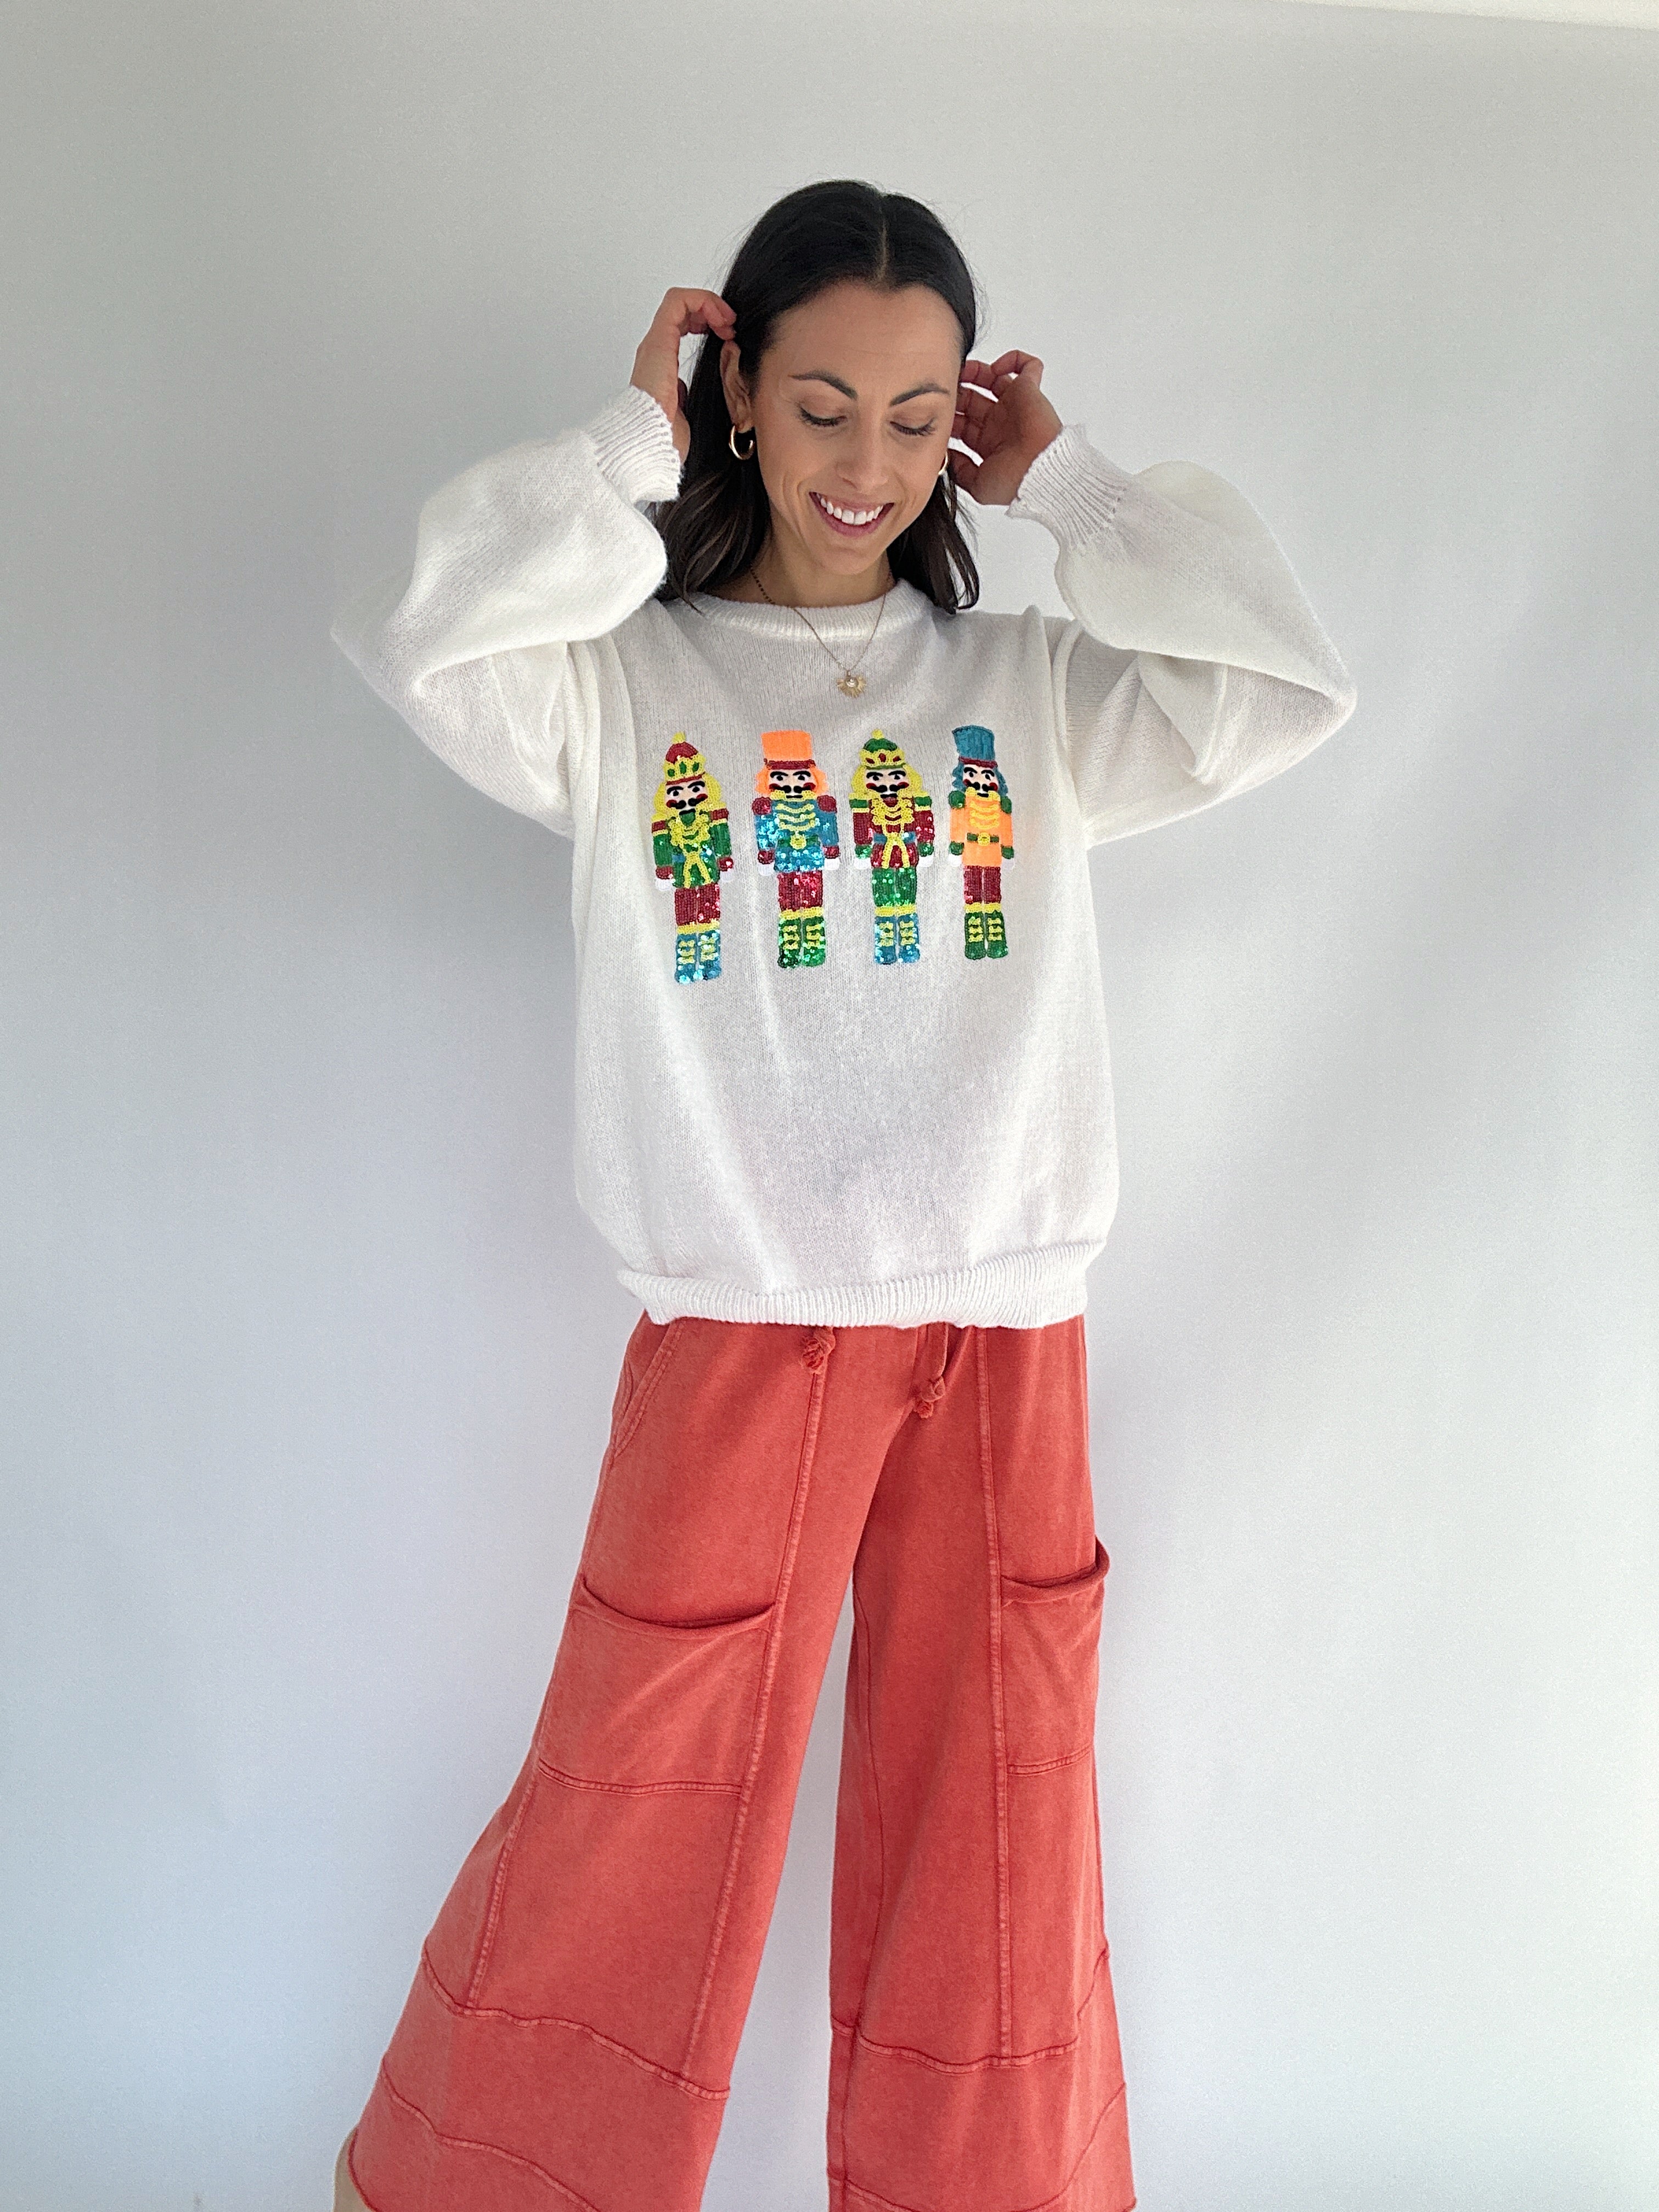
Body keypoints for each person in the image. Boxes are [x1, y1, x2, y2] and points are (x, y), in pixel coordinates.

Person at [326, 177, 1357, 2212]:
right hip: (737, 1323)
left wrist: (1079, 491)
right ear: (738, 396)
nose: (865, 461)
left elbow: (1286, 682)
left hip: (1005, 1328)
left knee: (1001, 1837)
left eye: (911, 413)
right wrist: (624, 448)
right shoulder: (625, 685)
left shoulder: (1032, 690)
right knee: (633, 1803)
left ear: (964, 418)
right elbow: (436, 635)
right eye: (817, 405)